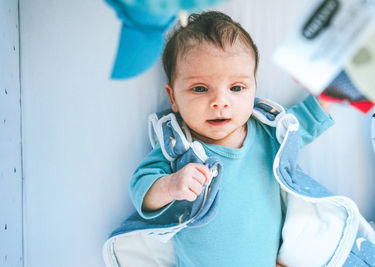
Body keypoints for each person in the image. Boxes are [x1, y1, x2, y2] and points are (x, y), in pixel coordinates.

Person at [130, 11, 333, 266]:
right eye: (200, 89)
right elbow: (141, 189)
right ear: (173, 97)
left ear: (254, 89)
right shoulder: (179, 148)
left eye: (236, 88)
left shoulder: (268, 133)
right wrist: (170, 185)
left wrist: (334, 87)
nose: (220, 102)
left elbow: (305, 120)